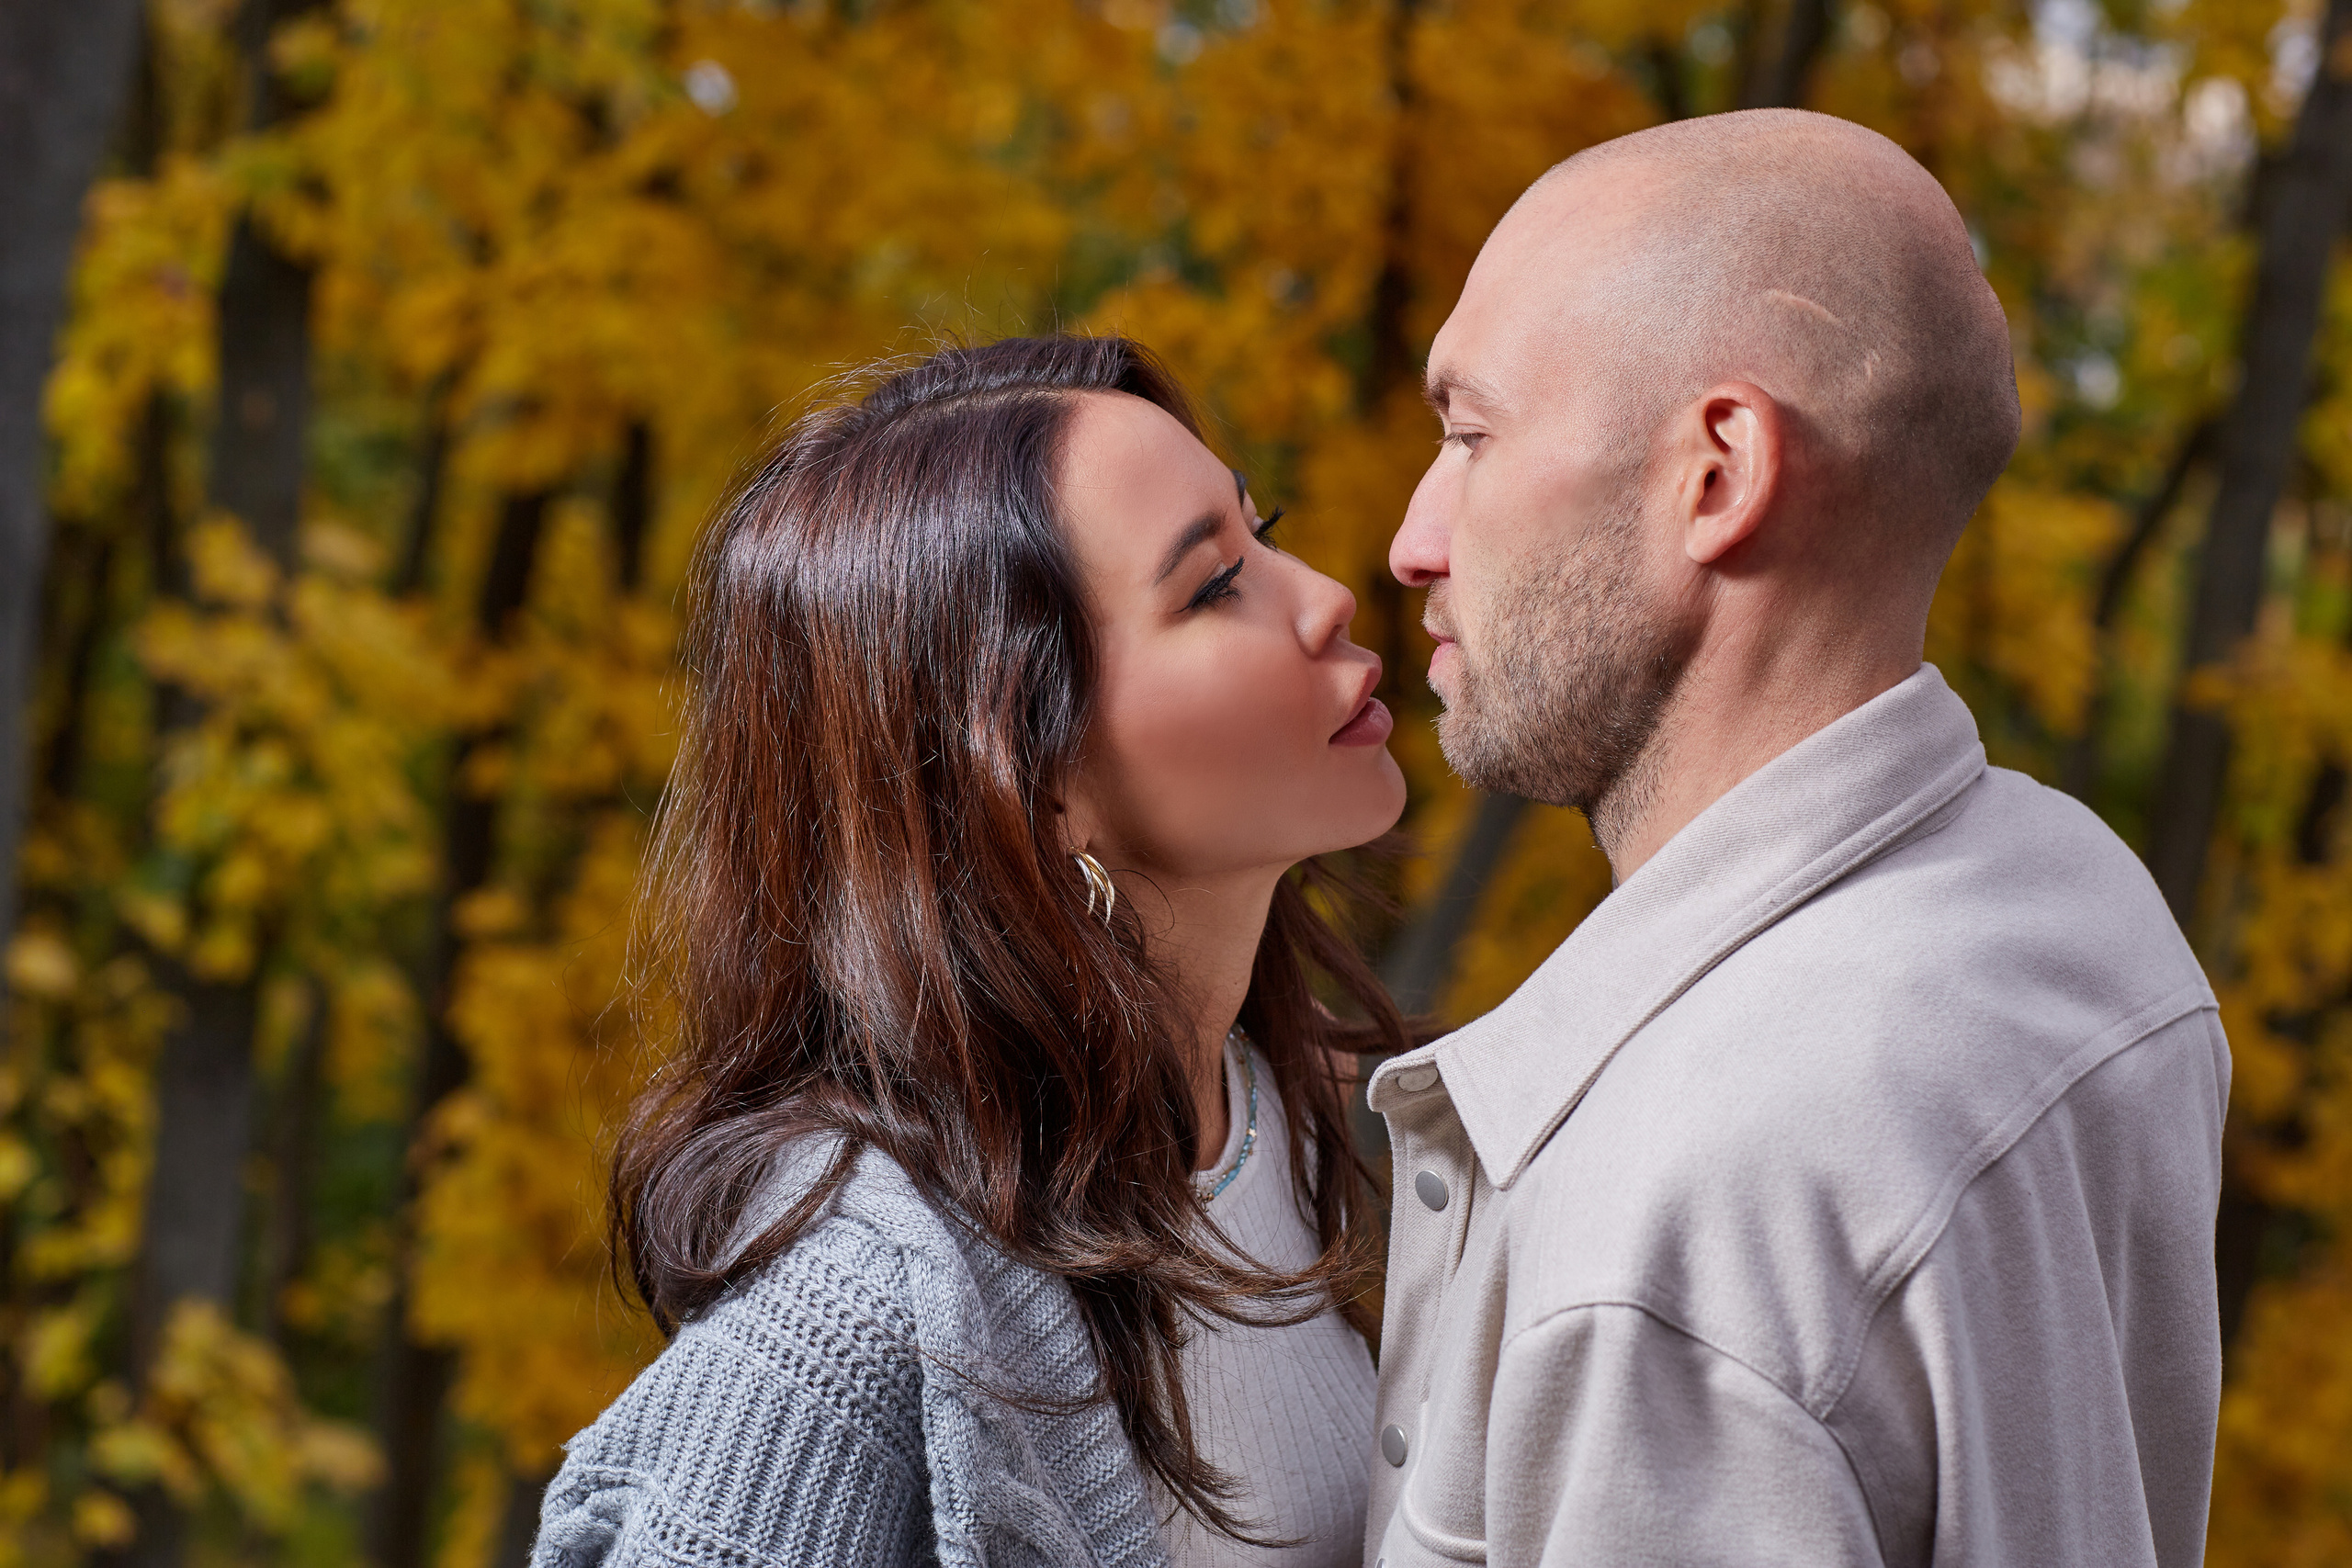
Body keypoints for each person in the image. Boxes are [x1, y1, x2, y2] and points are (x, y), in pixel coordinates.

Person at [1364, 109, 2228, 1567]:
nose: (1414, 539)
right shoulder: (2078, 901)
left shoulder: (1677, 1226)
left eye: (1470, 436)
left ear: (1717, 473)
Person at [533, 335, 1412, 1568]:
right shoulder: (850, 1315)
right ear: (1032, 787)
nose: (1324, 598)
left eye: (1263, 532)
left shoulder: (1270, 1110)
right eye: (1215, 585)